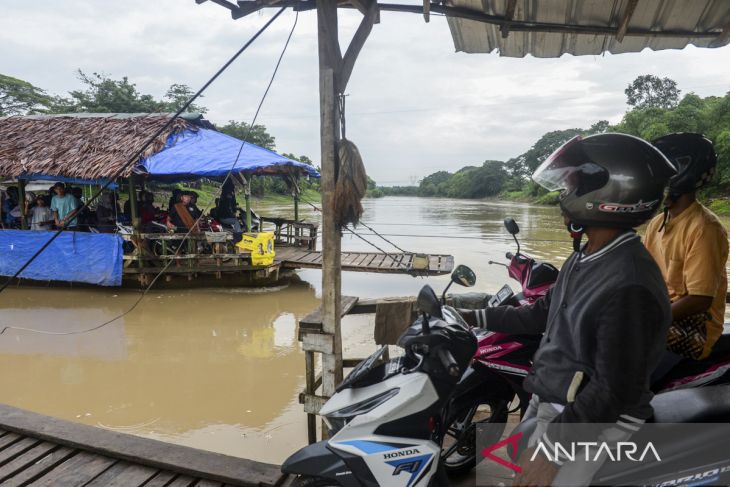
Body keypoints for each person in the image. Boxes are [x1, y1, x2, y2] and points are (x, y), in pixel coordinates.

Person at [461, 134, 675, 486]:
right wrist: (475, 318)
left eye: (571, 184)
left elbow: (613, 391)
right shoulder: (585, 256)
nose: (563, 194)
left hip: (595, 422)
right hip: (554, 400)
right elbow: (542, 313)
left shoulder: (630, 283)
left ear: (608, 193)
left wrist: (553, 452)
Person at [644, 133, 728, 362]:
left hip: (694, 327)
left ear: (680, 175)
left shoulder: (705, 229)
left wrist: (648, 319)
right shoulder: (657, 223)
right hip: (663, 310)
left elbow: (700, 299)